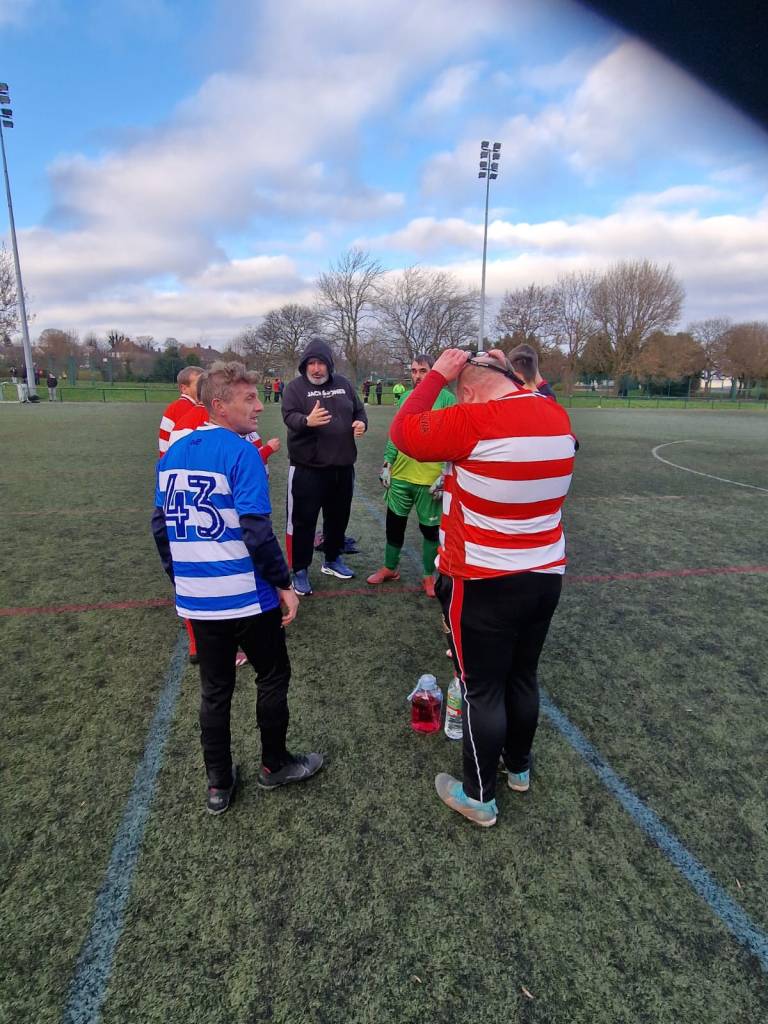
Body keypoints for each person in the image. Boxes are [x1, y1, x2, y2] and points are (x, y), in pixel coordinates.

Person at [390, 349, 576, 828]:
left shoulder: (473, 420)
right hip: (545, 574)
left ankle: (478, 797)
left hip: (482, 578)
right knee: (523, 676)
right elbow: (536, 399)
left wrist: (438, 375)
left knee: (481, 689)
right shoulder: (554, 415)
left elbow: (403, 431)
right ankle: (518, 768)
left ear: (468, 391)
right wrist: (511, 372)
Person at [151, 361, 323, 816]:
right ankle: (274, 764)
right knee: (273, 675)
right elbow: (256, 532)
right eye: (249, 398)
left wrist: (182, 580)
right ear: (219, 405)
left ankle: (219, 783)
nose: (259, 405)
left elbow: (159, 527)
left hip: (199, 601)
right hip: (247, 596)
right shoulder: (242, 452)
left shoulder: (173, 452)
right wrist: (284, 583)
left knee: (215, 690)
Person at [281, 337, 367, 595]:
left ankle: (332, 559)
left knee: (338, 518)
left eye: (321, 363)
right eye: (311, 363)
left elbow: (359, 411)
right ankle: (300, 570)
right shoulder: (295, 388)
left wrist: (361, 423)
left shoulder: (344, 384)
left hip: (342, 467)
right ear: (304, 365)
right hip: (308, 469)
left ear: (329, 364)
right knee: (303, 521)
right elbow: (289, 416)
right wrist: (307, 420)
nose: (316, 369)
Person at [367, 353, 455, 597]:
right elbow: (396, 433)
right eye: (414, 371)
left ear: (434, 372)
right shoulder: (406, 398)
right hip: (401, 476)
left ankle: (428, 576)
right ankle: (390, 568)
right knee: (394, 525)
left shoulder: (448, 399)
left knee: (430, 530)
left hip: (430, 480)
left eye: (423, 371)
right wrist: (388, 462)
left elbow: (453, 439)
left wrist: (445, 473)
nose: (417, 376)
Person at [157, 366, 203, 457]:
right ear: (184, 388)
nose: (203, 388)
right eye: (199, 385)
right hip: (174, 460)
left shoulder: (181, 406)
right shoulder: (184, 408)